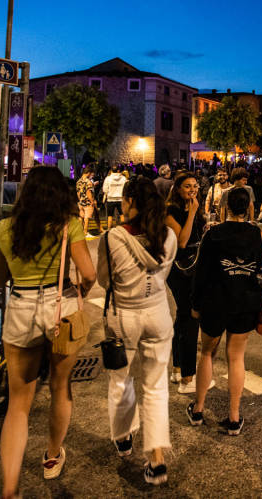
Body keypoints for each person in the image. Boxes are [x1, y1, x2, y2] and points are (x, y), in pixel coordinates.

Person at [0, 166, 98, 498]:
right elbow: (89, 274)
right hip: (60, 306)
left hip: (21, 307)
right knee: (60, 387)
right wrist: (80, 290)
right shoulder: (70, 227)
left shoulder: (4, 228)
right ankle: (52, 456)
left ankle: (10, 487)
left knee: (18, 403)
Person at [97, 176, 177, 485]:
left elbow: (105, 280)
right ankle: (156, 459)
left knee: (121, 380)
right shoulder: (167, 235)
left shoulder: (114, 236)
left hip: (125, 316)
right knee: (156, 387)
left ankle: (124, 436)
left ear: (130, 202)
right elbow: (165, 272)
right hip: (157, 312)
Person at [187, 188, 262, 436]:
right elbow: (259, 267)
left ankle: (198, 409)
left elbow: (201, 273)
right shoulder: (256, 234)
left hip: (215, 300)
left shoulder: (214, 234)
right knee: (236, 357)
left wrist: (195, 304)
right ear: (249, 208)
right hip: (244, 300)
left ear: (226, 208)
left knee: (207, 353)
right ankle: (233, 417)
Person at [164, 172, 212, 395]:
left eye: (195, 186)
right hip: (180, 268)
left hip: (196, 266)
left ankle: (177, 368)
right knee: (191, 317)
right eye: (187, 186)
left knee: (183, 317)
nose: (192, 190)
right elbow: (182, 241)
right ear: (177, 189)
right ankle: (187, 378)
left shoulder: (196, 208)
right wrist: (193, 213)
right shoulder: (170, 211)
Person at [103, 165, 128, 230]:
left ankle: (109, 229)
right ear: (118, 170)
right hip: (120, 199)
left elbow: (105, 189)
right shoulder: (123, 178)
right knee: (122, 214)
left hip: (110, 199)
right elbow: (126, 188)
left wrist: (108, 193)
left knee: (110, 215)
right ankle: (123, 228)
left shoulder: (108, 178)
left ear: (111, 170)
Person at [75, 166, 96, 234]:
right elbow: (88, 192)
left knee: (81, 217)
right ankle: (85, 232)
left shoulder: (78, 181)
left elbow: (78, 193)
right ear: (88, 173)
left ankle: (80, 231)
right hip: (87, 202)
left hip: (81, 202)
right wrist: (92, 201)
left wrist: (80, 200)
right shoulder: (88, 182)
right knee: (86, 218)